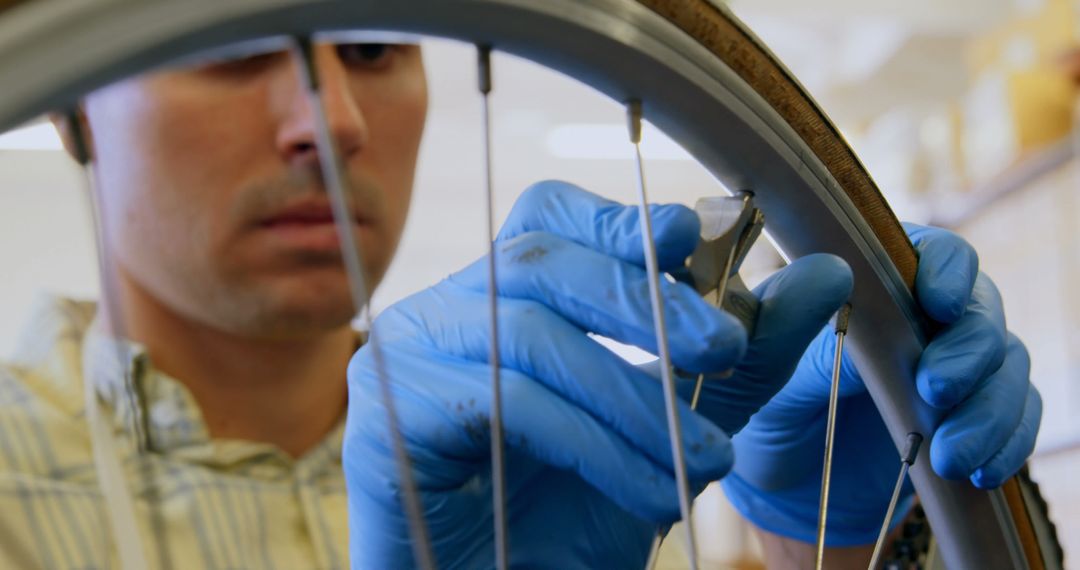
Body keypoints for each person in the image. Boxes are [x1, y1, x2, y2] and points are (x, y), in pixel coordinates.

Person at [0, 37, 1038, 569]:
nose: (337, 120)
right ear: (72, 105)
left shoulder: (576, 459)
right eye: (230, 43)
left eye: (371, 47)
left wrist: (823, 537)